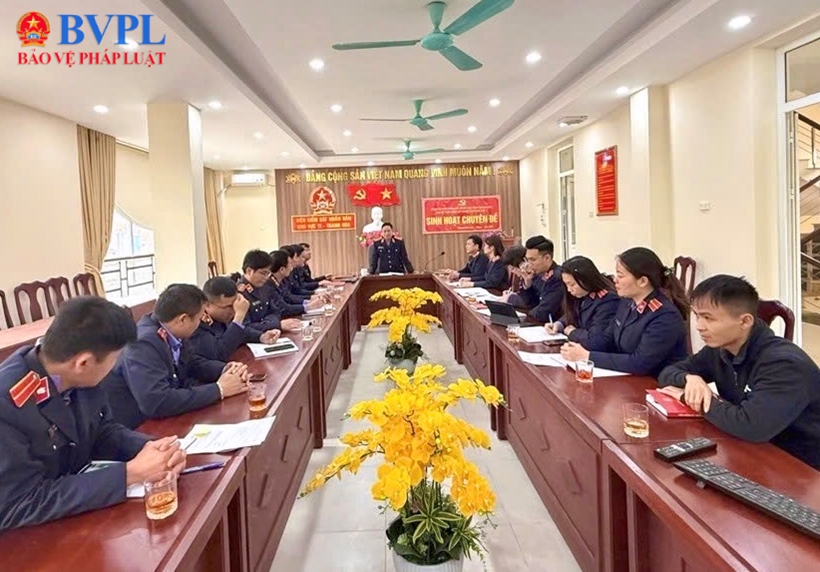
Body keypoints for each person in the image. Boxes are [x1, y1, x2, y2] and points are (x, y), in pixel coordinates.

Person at [0, 297, 186, 531]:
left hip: (75, 517)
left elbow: (101, 430)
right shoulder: (7, 403)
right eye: (114, 359)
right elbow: (18, 503)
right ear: (84, 362)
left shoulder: (78, 376)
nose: (115, 366)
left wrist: (153, 449)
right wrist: (128, 474)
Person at [658, 275, 820, 469]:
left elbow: (751, 425)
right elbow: (667, 374)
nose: (699, 326)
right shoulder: (720, 349)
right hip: (752, 450)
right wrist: (689, 379)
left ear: (745, 321)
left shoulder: (784, 364)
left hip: (802, 467)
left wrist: (689, 397)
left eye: (708, 318)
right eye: (697, 315)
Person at [103, 284, 249, 429]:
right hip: (141, 427)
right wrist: (219, 389)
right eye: (199, 319)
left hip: (167, 417)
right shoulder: (143, 343)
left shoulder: (170, 328)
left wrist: (225, 369)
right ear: (183, 319)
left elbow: (192, 363)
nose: (200, 323)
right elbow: (157, 402)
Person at [560, 247, 689, 377]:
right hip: (627, 378)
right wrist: (576, 348)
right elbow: (606, 339)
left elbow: (639, 363)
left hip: (655, 382)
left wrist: (587, 356)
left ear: (643, 281)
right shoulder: (627, 303)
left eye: (620, 276)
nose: (615, 280)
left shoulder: (664, 316)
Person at [188, 276, 300, 363]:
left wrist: (261, 337)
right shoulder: (198, 323)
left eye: (234, 305)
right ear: (207, 305)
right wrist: (239, 317)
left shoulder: (220, 316)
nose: (233, 310)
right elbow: (220, 353)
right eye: (228, 306)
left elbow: (241, 332)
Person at [546, 256, 619, 345]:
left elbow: (596, 339)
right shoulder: (583, 294)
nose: (569, 289)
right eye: (566, 285)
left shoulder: (607, 301)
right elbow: (576, 313)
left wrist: (572, 332)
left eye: (572, 285)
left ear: (586, 280)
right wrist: (559, 324)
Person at [504, 236, 565, 323]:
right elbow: (530, 303)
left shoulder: (556, 277)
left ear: (547, 258)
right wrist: (528, 284)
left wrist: (524, 317)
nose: (529, 264)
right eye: (527, 259)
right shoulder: (538, 274)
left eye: (532, 260)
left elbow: (543, 312)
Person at [237, 249, 285, 331]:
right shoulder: (239, 293)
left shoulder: (264, 287)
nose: (266, 277)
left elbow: (275, 312)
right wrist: (275, 325)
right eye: (263, 273)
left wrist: (270, 323)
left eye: (268, 273)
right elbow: (244, 327)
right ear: (249, 271)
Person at [269, 250, 325, 317]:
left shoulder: (279, 280)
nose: (291, 267)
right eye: (290, 264)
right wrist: (308, 306)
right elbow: (283, 308)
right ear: (282, 269)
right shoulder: (269, 285)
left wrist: (308, 301)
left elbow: (288, 297)